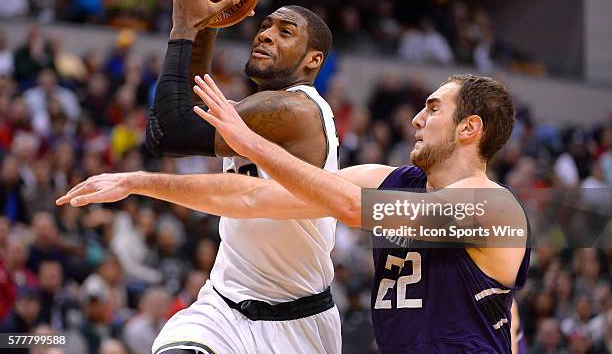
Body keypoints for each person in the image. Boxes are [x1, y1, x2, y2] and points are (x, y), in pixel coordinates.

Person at [58, 73, 530, 353]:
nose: (416, 119)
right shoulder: (390, 178)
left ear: (470, 128)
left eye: (433, 109)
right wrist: (140, 182)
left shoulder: (493, 208)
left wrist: (251, 143)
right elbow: (252, 199)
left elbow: (350, 208)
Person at [62, 0, 339, 354]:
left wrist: (184, 24)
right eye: (264, 25)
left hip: (297, 321)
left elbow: (168, 132)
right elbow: (180, 118)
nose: (265, 34)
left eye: (285, 31)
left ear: (313, 59)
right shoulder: (257, 110)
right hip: (222, 306)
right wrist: (210, 22)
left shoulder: (293, 109)